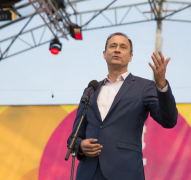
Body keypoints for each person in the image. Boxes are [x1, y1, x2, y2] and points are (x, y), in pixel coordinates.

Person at [67, 32, 178, 180]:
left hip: (126, 172)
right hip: (89, 173)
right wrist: (80, 145)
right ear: (104, 54)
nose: (117, 50)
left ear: (131, 56)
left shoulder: (144, 87)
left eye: (123, 47)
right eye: (113, 46)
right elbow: (74, 137)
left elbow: (169, 120)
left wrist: (162, 85)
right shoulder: (91, 90)